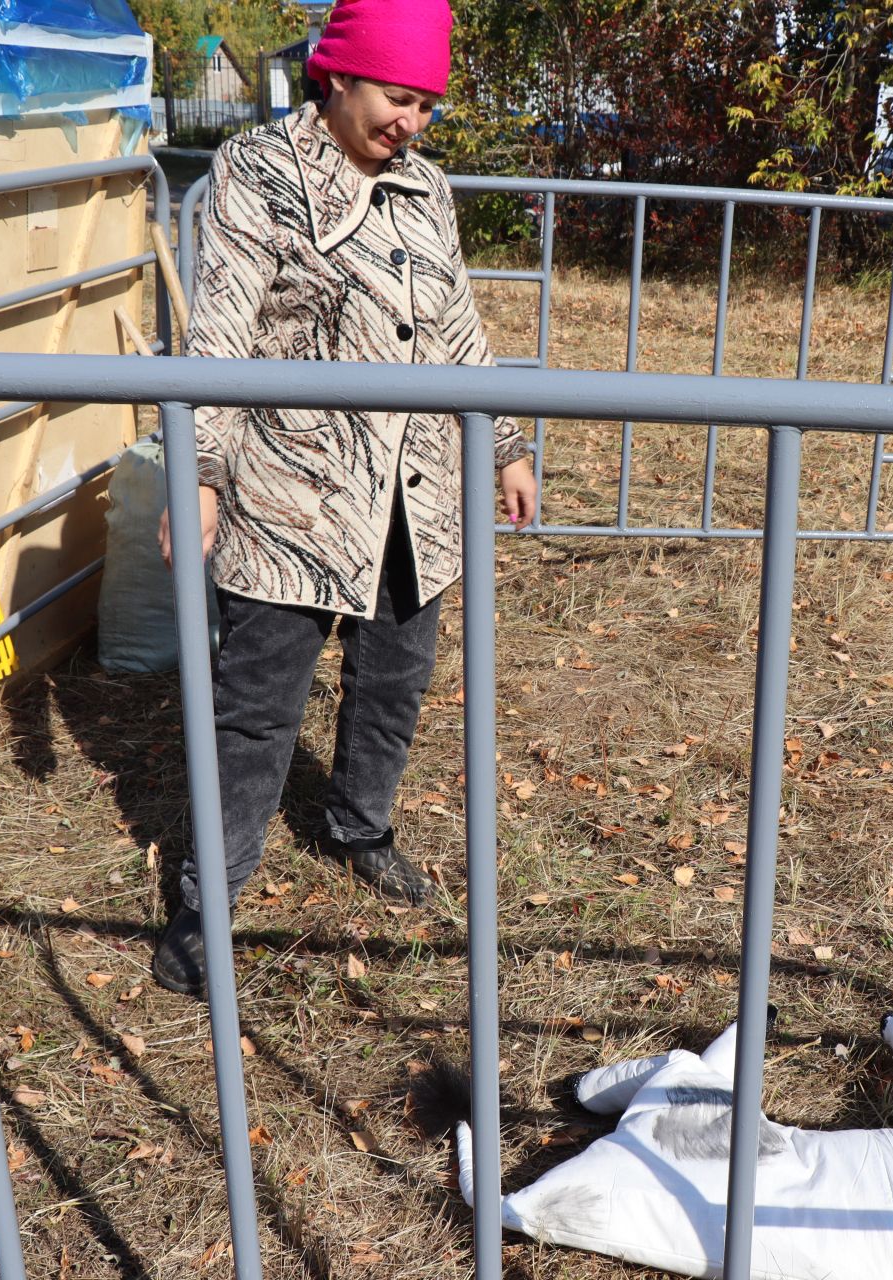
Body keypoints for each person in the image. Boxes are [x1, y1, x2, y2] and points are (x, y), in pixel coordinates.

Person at [152, 0, 537, 997]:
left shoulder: (425, 188)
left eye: (425, 105)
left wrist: (505, 445)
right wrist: (198, 474)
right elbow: (222, 339)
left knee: (396, 678)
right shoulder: (259, 173)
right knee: (255, 707)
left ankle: (359, 823)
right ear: (337, 78)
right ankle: (208, 899)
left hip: (413, 494)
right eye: (396, 99)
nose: (411, 122)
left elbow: (458, 327)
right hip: (295, 489)